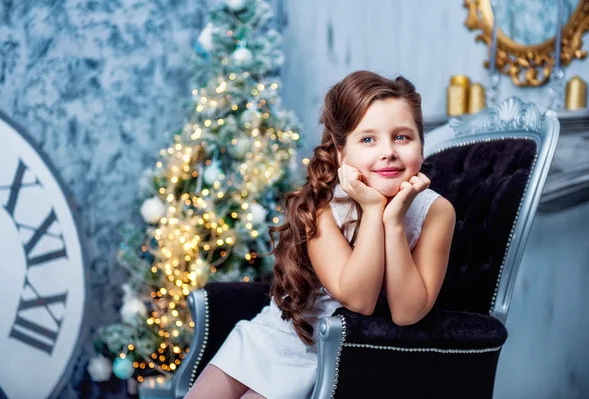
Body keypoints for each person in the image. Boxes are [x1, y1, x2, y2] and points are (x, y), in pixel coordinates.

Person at [185, 70, 456, 399]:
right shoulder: (323, 205)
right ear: (343, 154)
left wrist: (392, 220)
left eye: (402, 137)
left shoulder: (436, 212)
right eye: (368, 139)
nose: (388, 151)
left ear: (421, 145)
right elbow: (351, 290)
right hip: (279, 337)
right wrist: (371, 208)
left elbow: (389, 307)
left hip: (331, 358)